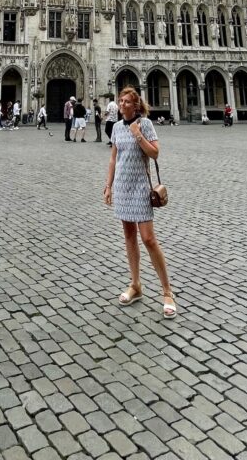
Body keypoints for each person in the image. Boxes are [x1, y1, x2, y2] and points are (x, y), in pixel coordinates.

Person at [103, 86, 176, 319]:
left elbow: (155, 153)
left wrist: (137, 134)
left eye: (126, 101)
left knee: (149, 238)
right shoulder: (115, 127)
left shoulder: (145, 124)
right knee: (128, 236)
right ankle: (135, 285)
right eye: (120, 101)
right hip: (123, 188)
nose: (121, 104)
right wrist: (108, 185)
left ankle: (167, 292)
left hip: (141, 188)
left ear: (136, 105)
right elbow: (114, 158)